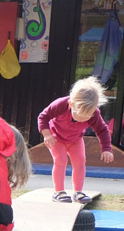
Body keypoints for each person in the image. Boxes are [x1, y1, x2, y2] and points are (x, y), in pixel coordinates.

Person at [38, 76, 115, 204]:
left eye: (86, 117)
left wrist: (106, 148)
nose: (82, 119)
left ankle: (78, 192)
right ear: (71, 104)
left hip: (75, 140)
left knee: (80, 162)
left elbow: (102, 130)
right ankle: (59, 192)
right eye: (79, 115)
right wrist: (47, 135)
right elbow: (43, 117)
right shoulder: (61, 104)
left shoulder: (94, 113)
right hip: (56, 138)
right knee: (61, 160)